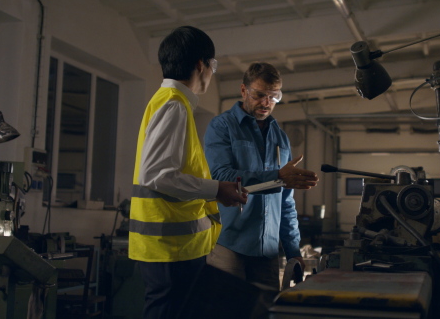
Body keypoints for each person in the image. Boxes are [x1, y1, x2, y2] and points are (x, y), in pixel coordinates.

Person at [129, 26, 248, 319]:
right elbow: (157, 175)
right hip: (171, 249)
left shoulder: (170, 103)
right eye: (213, 65)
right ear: (200, 65)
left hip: (173, 248)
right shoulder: (173, 105)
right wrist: (216, 189)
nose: (212, 73)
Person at [204, 62, 319, 291]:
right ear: (244, 90)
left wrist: (293, 251)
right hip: (229, 246)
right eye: (259, 95)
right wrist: (278, 176)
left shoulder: (281, 138)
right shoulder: (222, 127)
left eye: (274, 96)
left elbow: (286, 202)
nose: (267, 103)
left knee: (264, 312)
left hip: (267, 253)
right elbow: (222, 176)